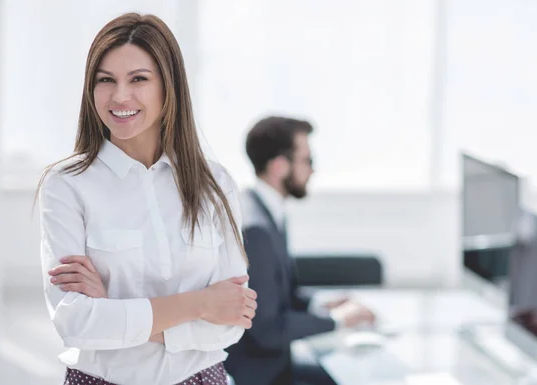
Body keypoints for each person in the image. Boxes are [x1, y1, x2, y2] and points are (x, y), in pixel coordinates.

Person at [38, 13, 257, 385]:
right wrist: (200, 304)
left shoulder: (215, 184)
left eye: (138, 79)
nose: (120, 96)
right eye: (105, 80)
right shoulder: (66, 185)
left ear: (168, 86)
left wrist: (113, 312)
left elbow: (232, 321)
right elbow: (75, 323)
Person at [224, 116, 376, 385]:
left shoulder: (264, 209)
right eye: (308, 161)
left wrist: (322, 303)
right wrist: (337, 320)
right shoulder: (256, 230)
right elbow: (268, 329)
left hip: (274, 365)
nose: (313, 171)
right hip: (263, 376)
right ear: (280, 166)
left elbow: (278, 295)